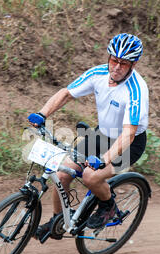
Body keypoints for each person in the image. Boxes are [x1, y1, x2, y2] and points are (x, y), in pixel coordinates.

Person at [28, 33, 149, 241]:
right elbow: (66, 93)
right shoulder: (98, 74)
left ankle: (108, 206)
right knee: (63, 172)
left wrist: (104, 159)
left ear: (134, 64)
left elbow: (128, 133)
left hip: (129, 144)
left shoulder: (136, 90)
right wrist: (42, 114)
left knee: (90, 176)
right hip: (102, 135)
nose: (117, 67)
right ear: (109, 57)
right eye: (114, 60)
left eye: (123, 63)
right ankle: (58, 221)